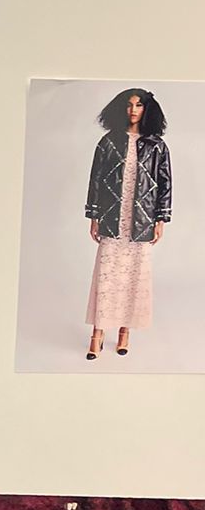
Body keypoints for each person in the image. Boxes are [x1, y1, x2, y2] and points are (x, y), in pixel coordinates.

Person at [85, 87, 171, 361]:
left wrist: (161, 218)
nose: (133, 110)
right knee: (107, 276)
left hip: (142, 219)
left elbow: (165, 184)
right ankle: (97, 334)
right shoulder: (109, 142)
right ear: (121, 108)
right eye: (129, 105)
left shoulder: (157, 146)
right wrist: (94, 215)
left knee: (133, 277)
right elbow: (96, 179)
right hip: (113, 216)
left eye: (139, 105)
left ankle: (124, 333)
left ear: (147, 110)